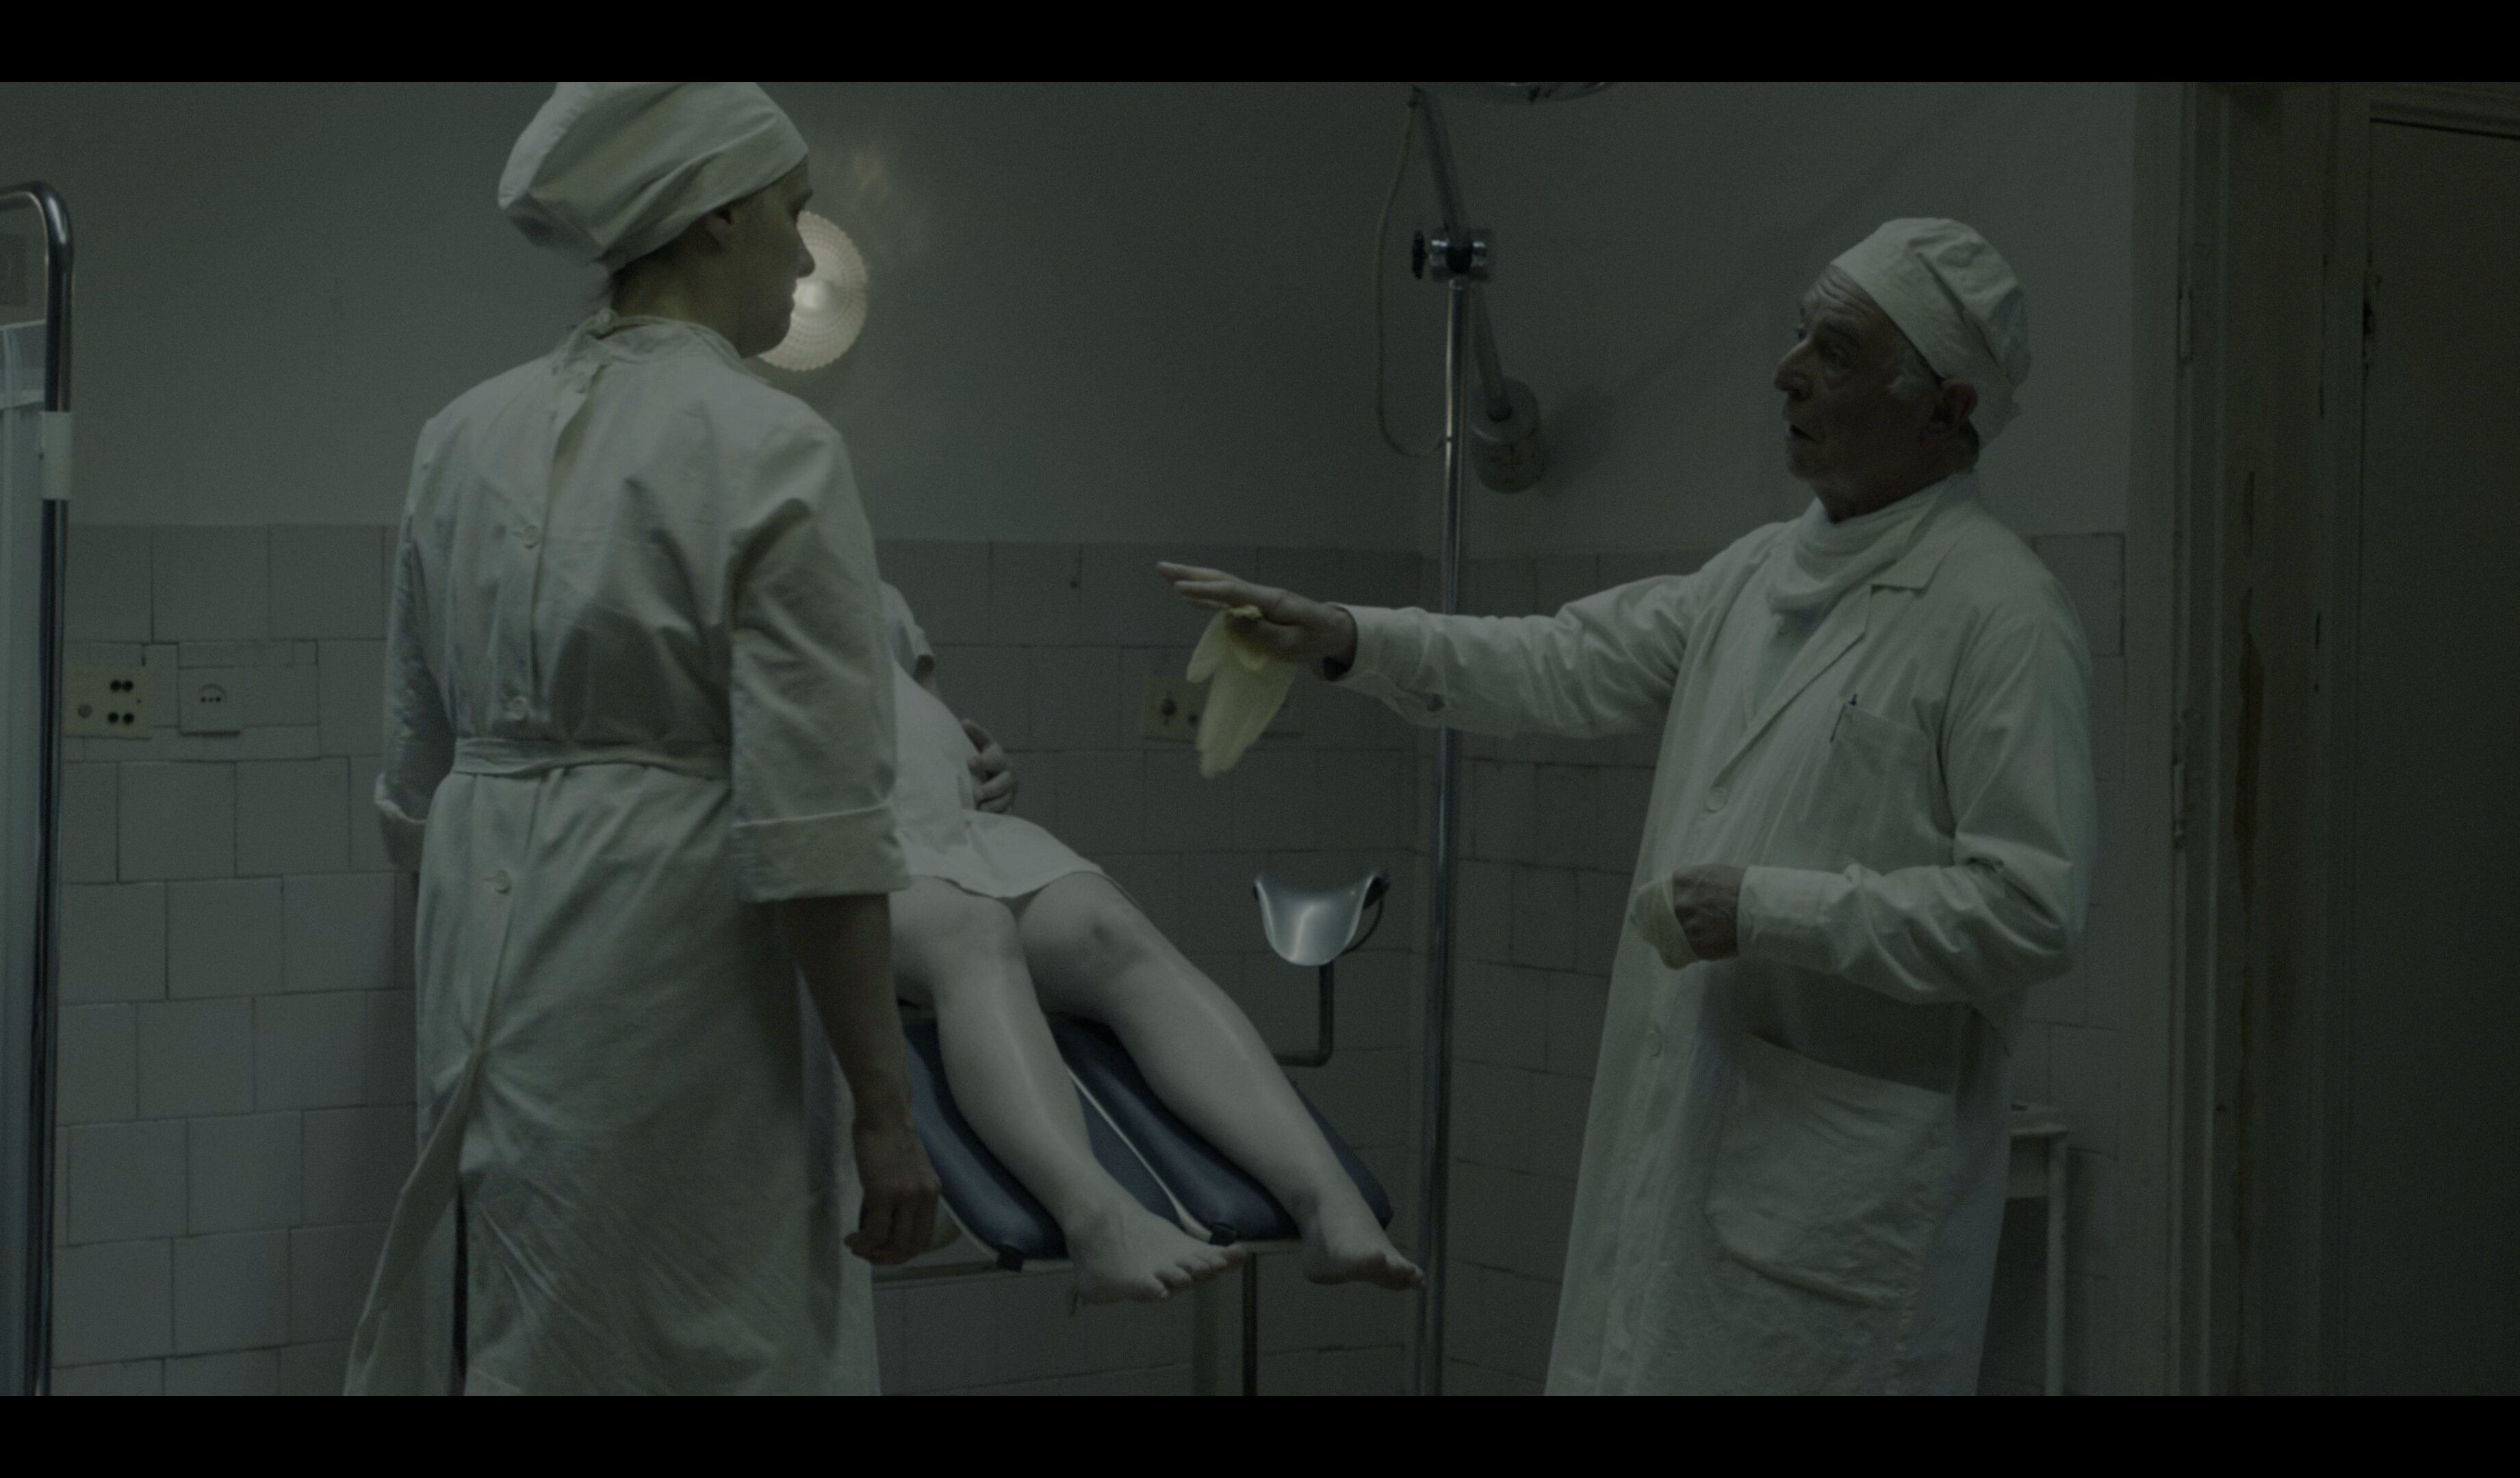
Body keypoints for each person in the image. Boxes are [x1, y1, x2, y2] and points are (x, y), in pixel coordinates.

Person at [1162, 219, 2094, 1394]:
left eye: (1836, 353)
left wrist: (1769, 910)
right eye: (1800, 333)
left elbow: (2030, 911)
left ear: (1945, 408)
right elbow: (1563, 662)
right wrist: (1349, 638)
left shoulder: (2001, 614)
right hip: (1695, 1152)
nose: (1787, 371)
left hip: (1843, 1215)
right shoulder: (1758, 573)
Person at [346, 82, 938, 1395]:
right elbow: (818, 835)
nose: (803, 256)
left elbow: (414, 779)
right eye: (791, 213)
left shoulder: (461, 437)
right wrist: (888, 1117)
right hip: (671, 987)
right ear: (717, 215)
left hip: (486, 982)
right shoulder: (772, 445)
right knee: (698, 1333)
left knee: (521, 1325)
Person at [873, 584, 1422, 1301]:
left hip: (960, 831)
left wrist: (985, 762)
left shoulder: (876, 590)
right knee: (974, 932)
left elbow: (933, 715)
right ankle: (1098, 1219)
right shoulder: (750, 575)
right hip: (847, 846)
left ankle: (1327, 1202)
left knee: (1115, 932)